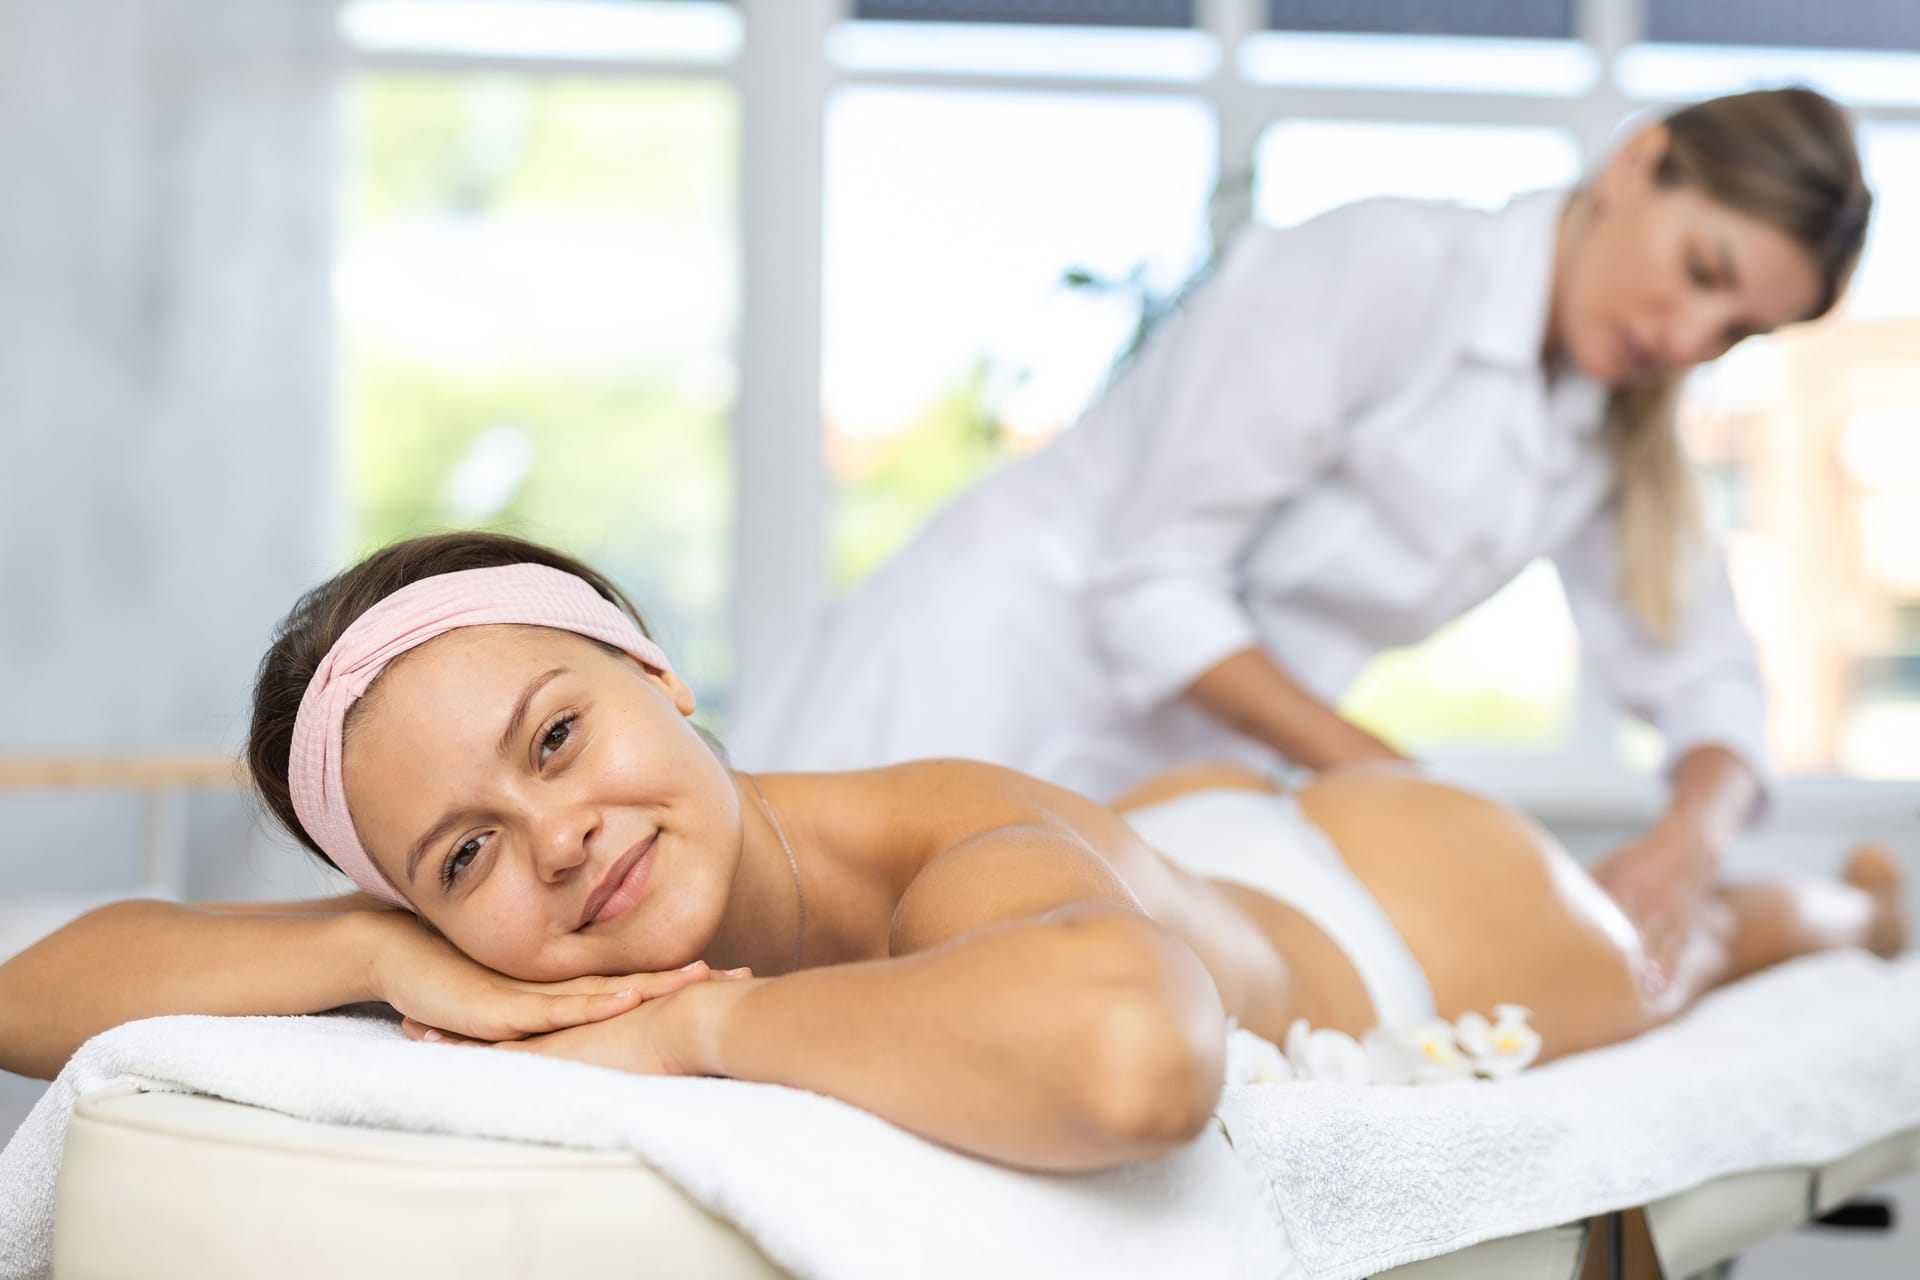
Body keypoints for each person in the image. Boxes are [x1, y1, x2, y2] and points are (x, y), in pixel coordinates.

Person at [0, 533, 1903, 1173]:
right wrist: (392, 959)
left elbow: (1129, 1060)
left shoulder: (926, 835)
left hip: (1402, 911)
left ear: (662, 678)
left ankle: (1854, 892)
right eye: (465, 853)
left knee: (1690, 946)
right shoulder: (475, 925)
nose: (558, 836)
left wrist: (690, 1033)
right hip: (1166, 859)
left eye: (562, 736)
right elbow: (34, 999)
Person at [728, 87, 1875, 988]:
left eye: (1737, 331)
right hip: (986, 667)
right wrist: (1388, 781)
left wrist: (1691, 837)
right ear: (1639, 160)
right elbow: (1156, 582)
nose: (1686, 336)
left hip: (1170, 779)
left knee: (991, 1017)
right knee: (801, 962)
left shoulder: (1605, 433)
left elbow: (1710, 677)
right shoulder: (1388, 267)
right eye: (1701, 271)